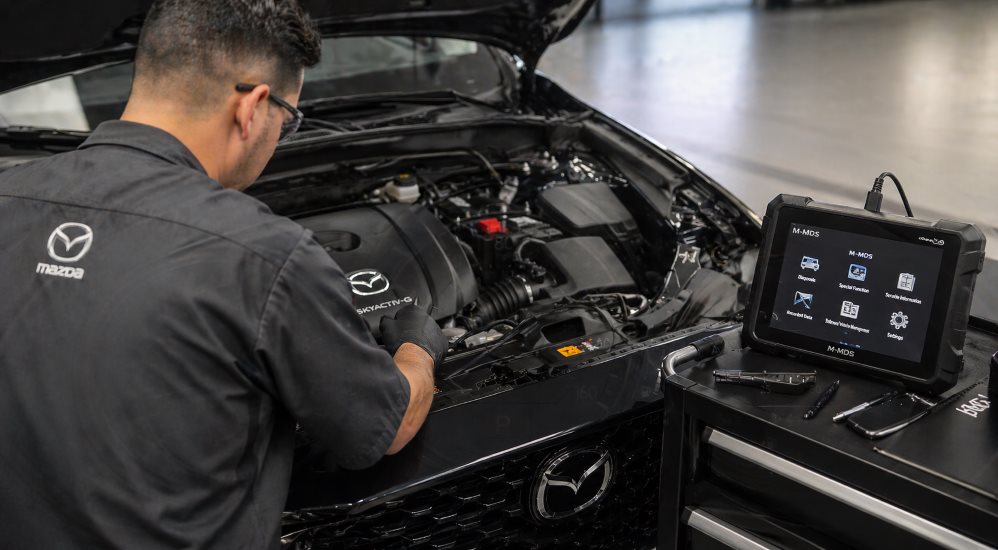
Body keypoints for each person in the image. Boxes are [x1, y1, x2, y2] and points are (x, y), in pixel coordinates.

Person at [0, 0, 447, 548]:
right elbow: (384, 428)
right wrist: (418, 347)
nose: (280, 136)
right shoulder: (262, 255)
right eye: (289, 121)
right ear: (253, 107)